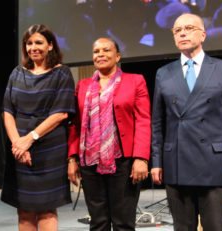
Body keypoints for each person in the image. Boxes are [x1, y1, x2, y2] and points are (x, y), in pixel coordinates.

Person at [151, 13, 222, 231]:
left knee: (215, 227)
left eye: (189, 28)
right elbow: (158, 123)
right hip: (176, 162)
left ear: (203, 34)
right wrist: (156, 161)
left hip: (214, 163)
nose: (183, 33)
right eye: (177, 30)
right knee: (182, 227)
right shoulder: (163, 74)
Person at [68, 37, 151, 231]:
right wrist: (72, 158)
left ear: (117, 56)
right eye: (96, 51)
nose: (101, 55)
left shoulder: (135, 80)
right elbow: (76, 124)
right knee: (98, 222)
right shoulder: (83, 85)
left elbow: (143, 120)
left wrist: (141, 158)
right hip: (90, 163)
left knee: (123, 223)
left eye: (106, 50)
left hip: (123, 161)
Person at [0, 24, 75, 231]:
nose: (33, 47)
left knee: (46, 210)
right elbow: (7, 111)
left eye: (39, 42)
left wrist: (29, 138)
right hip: (19, 150)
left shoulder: (62, 73)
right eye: (29, 43)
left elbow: (61, 113)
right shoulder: (17, 73)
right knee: (23, 209)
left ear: (50, 45)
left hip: (49, 149)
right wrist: (18, 143)